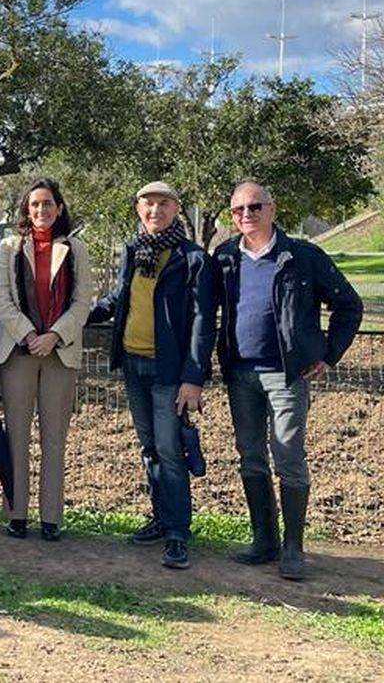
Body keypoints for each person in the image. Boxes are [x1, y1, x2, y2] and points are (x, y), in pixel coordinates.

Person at [216, 181, 363, 580]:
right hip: (240, 374)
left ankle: (293, 547)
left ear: (272, 208)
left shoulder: (303, 256)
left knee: (288, 457)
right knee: (250, 455)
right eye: (238, 210)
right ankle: (263, 540)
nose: (247, 215)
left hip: (286, 375)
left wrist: (329, 354)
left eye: (255, 206)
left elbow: (349, 306)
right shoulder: (225, 256)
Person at [89, 181, 218, 571]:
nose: (155, 210)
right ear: (138, 209)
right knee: (150, 449)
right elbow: (119, 298)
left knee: (169, 450)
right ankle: (161, 519)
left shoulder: (192, 258)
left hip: (169, 371)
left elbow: (202, 322)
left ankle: (177, 532)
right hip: (133, 364)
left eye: (163, 203)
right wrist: (79, 315)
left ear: (176, 209)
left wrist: (193, 377)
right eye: (148, 203)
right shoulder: (134, 250)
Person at [0, 179, 95, 542]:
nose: (41, 210)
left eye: (47, 203)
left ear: (59, 208)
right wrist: (29, 335)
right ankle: (16, 514)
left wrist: (54, 335)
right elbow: (1, 297)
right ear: (26, 209)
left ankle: (51, 518)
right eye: (34, 204)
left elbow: (82, 301)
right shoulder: (9, 247)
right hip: (19, 351)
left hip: (59, 353)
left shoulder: (76, 249)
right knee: (16, 436)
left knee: (54, 439)